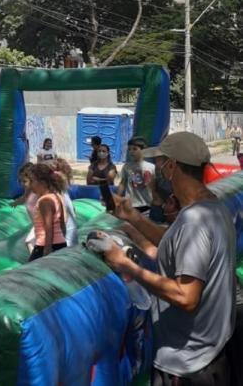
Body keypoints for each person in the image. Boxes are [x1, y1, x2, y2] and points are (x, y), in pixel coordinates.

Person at [100, 132, 236, 385]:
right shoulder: (214, 209)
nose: (159, 169)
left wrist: (125, 264)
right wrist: (133, 217)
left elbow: (186, 296)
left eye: (161, 162)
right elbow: (176, 248)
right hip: (211, 354)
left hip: (187, 365)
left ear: (172, 167)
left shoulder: (193, 222)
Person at [27, 162, 68, 261]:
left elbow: (49, 227)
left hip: (45, 244)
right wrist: (63, 240)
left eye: (32, 181)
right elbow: (62, 223)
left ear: (43, 182)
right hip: (60, 243)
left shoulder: (45, 201)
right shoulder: (56, 196)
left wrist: (47, 249)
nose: (30, 185)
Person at [117, 137, 154, 214]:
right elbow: (122, 183)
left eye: (134, 149)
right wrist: (117, 197)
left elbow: (155, 187)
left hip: (147, 204)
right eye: (129, 149)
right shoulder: (127, 166)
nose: (131, 152)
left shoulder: (152, 167)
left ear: (143, 150)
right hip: (131, 205)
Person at [52, 158, 78, 248]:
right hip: (70, 235)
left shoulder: (60, 195)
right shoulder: (63, 193)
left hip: (67, 239)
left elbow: (64, 219)